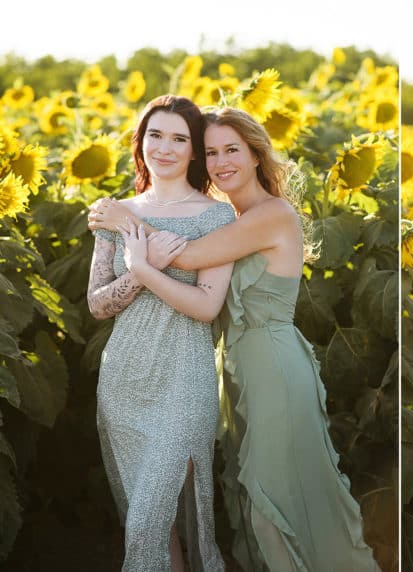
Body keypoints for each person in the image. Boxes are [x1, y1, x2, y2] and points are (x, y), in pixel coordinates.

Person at [89, 107, 379, 572]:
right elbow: (104, 298)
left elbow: (190, 259)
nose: (221, 161)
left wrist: (126, 222)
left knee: (277, 504)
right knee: (257, 502)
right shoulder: (239, 215)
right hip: (233, 368)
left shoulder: (265, 214)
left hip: (270, 367)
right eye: (211, 151)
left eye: (231, 150)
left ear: (255, 154)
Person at [87, 95, 234, 571]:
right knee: (150, 522)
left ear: (194, 151)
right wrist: (138, 270)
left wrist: (147, 267)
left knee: (150, 515)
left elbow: (207, 307)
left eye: (179, 139)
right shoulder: (115, 213)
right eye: (155, 135)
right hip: (125, 378)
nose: (165, 148)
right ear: (141, 141)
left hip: (185, 378)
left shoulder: (217, 218)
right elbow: (97, 304)